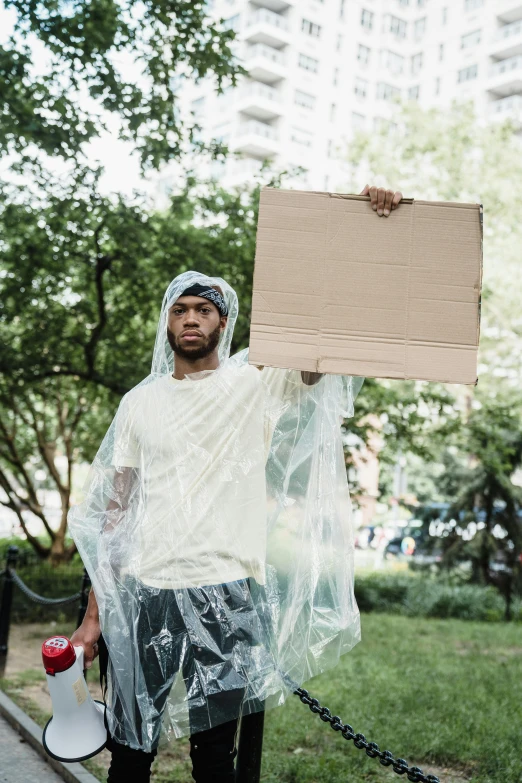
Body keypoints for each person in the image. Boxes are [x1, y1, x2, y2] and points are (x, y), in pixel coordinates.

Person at [69, 185, 403, 783]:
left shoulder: (255, 383)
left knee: (217, 763)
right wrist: (96, 616)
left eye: (204, 310)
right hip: (145, 592)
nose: (191, 319)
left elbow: (322, 337)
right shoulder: (139, 404)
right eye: (180, 309)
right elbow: (116, 516)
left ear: (223, 321)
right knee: (129, 751)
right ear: (167, 321)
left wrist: (364, 224)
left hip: (228, 595)